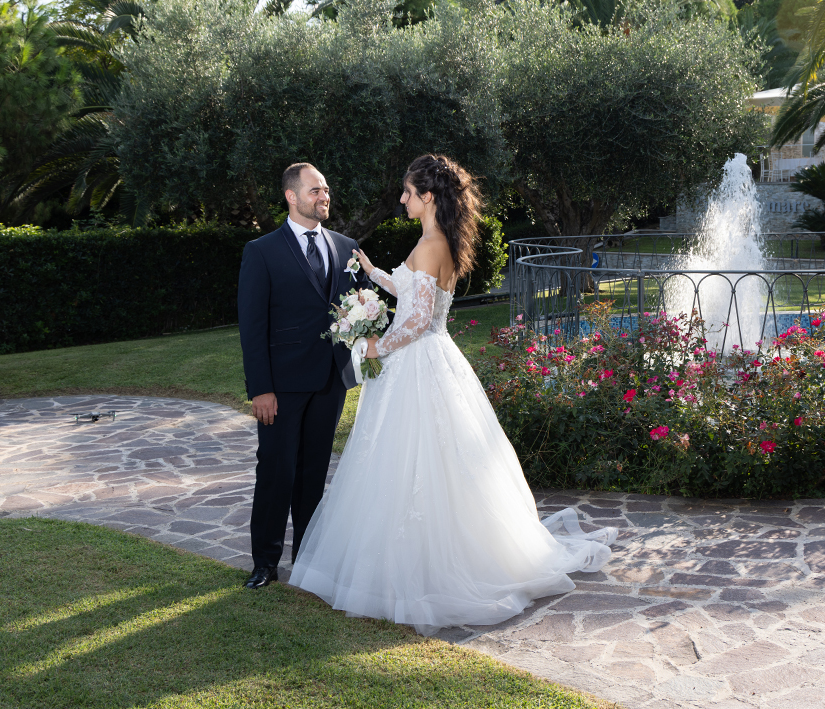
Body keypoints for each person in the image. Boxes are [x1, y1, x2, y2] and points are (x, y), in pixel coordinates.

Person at [288, 154, 617, 634]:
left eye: (407, 192)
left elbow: (418, 321)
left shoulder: (429, 245)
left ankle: (425, 570)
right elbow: (412, 294)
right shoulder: (438, 241)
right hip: (433, 359)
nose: (402, 199)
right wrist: (374, 273)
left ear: (427, 196)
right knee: (432, 462)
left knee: (411, 460)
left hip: (418, 362)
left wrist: (375, 346)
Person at [238, 162, 371, 590]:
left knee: (314, 473)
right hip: (281, 386)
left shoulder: (346, 246)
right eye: (315, 190)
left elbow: (358, 306)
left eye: (326, 190)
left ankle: (309, 559)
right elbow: (252, 327)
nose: (324, 196)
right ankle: (265, 562)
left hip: (330, 381)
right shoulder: (261, 251)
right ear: (291, 196)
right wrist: (261, 389)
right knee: (276, 471)